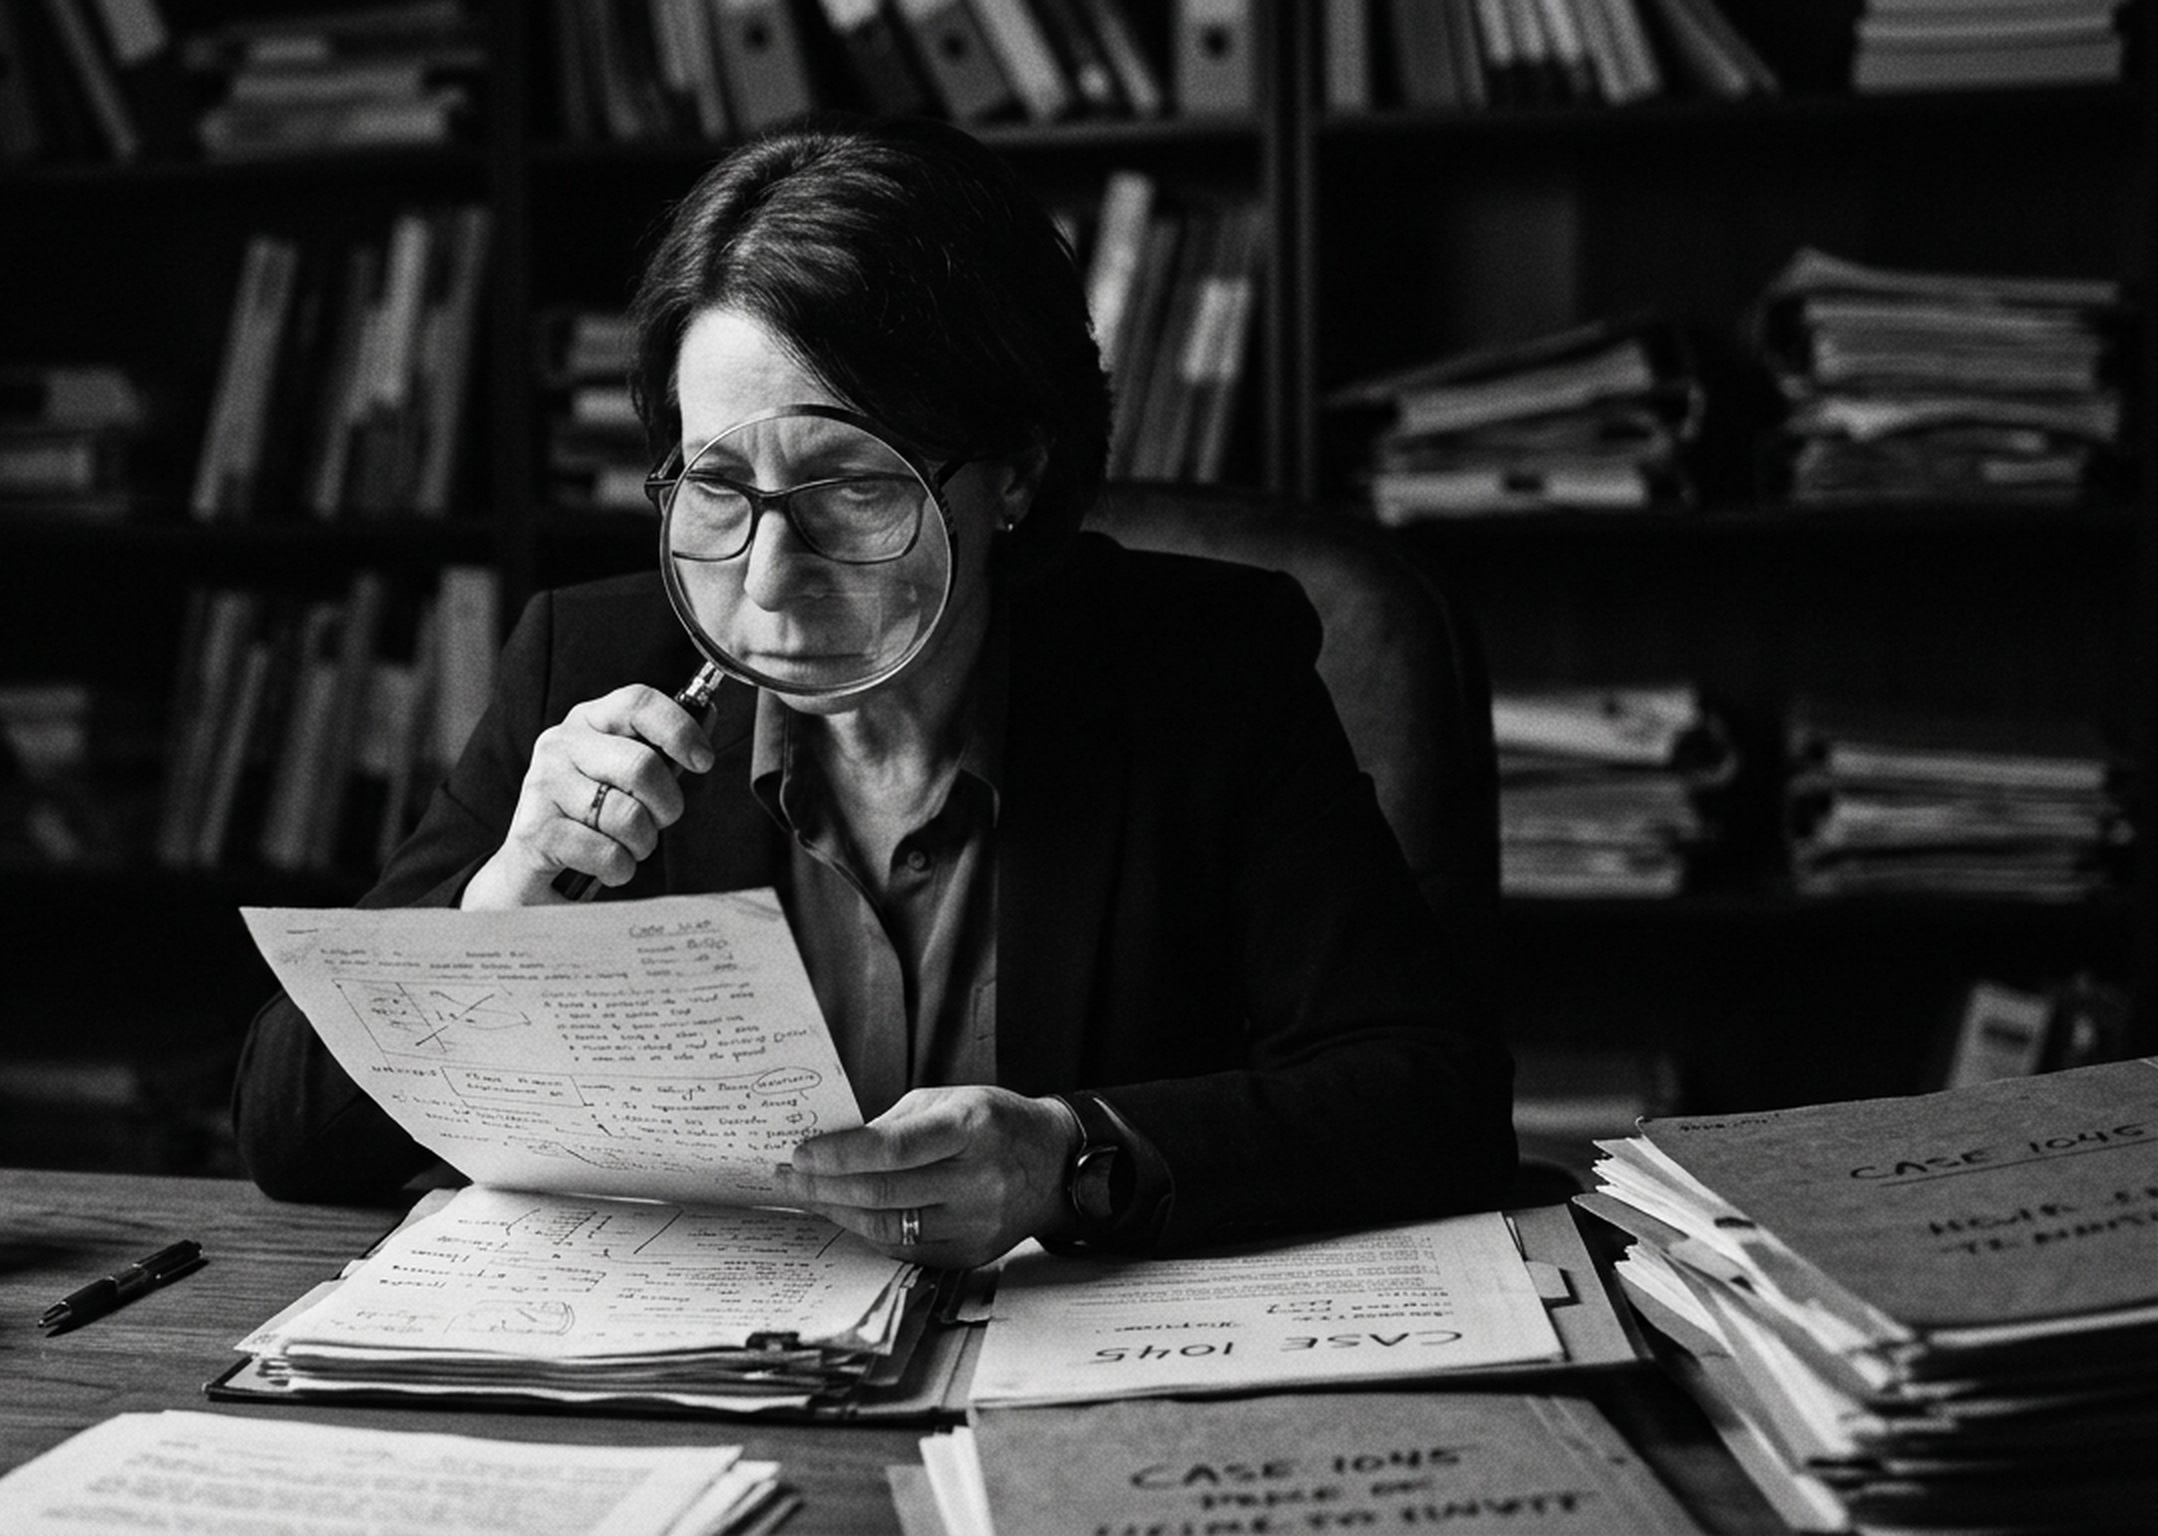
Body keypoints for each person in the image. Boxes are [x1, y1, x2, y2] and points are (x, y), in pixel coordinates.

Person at [233, 115, 1513, 1268]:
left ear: (1013, 474)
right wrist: (501, 905)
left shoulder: (1202, 667)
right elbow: (291, 1131)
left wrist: (1071, 1158)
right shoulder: (589, 659)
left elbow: (1433, 1097)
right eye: (716, 487)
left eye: (849, 488)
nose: (767, 581)